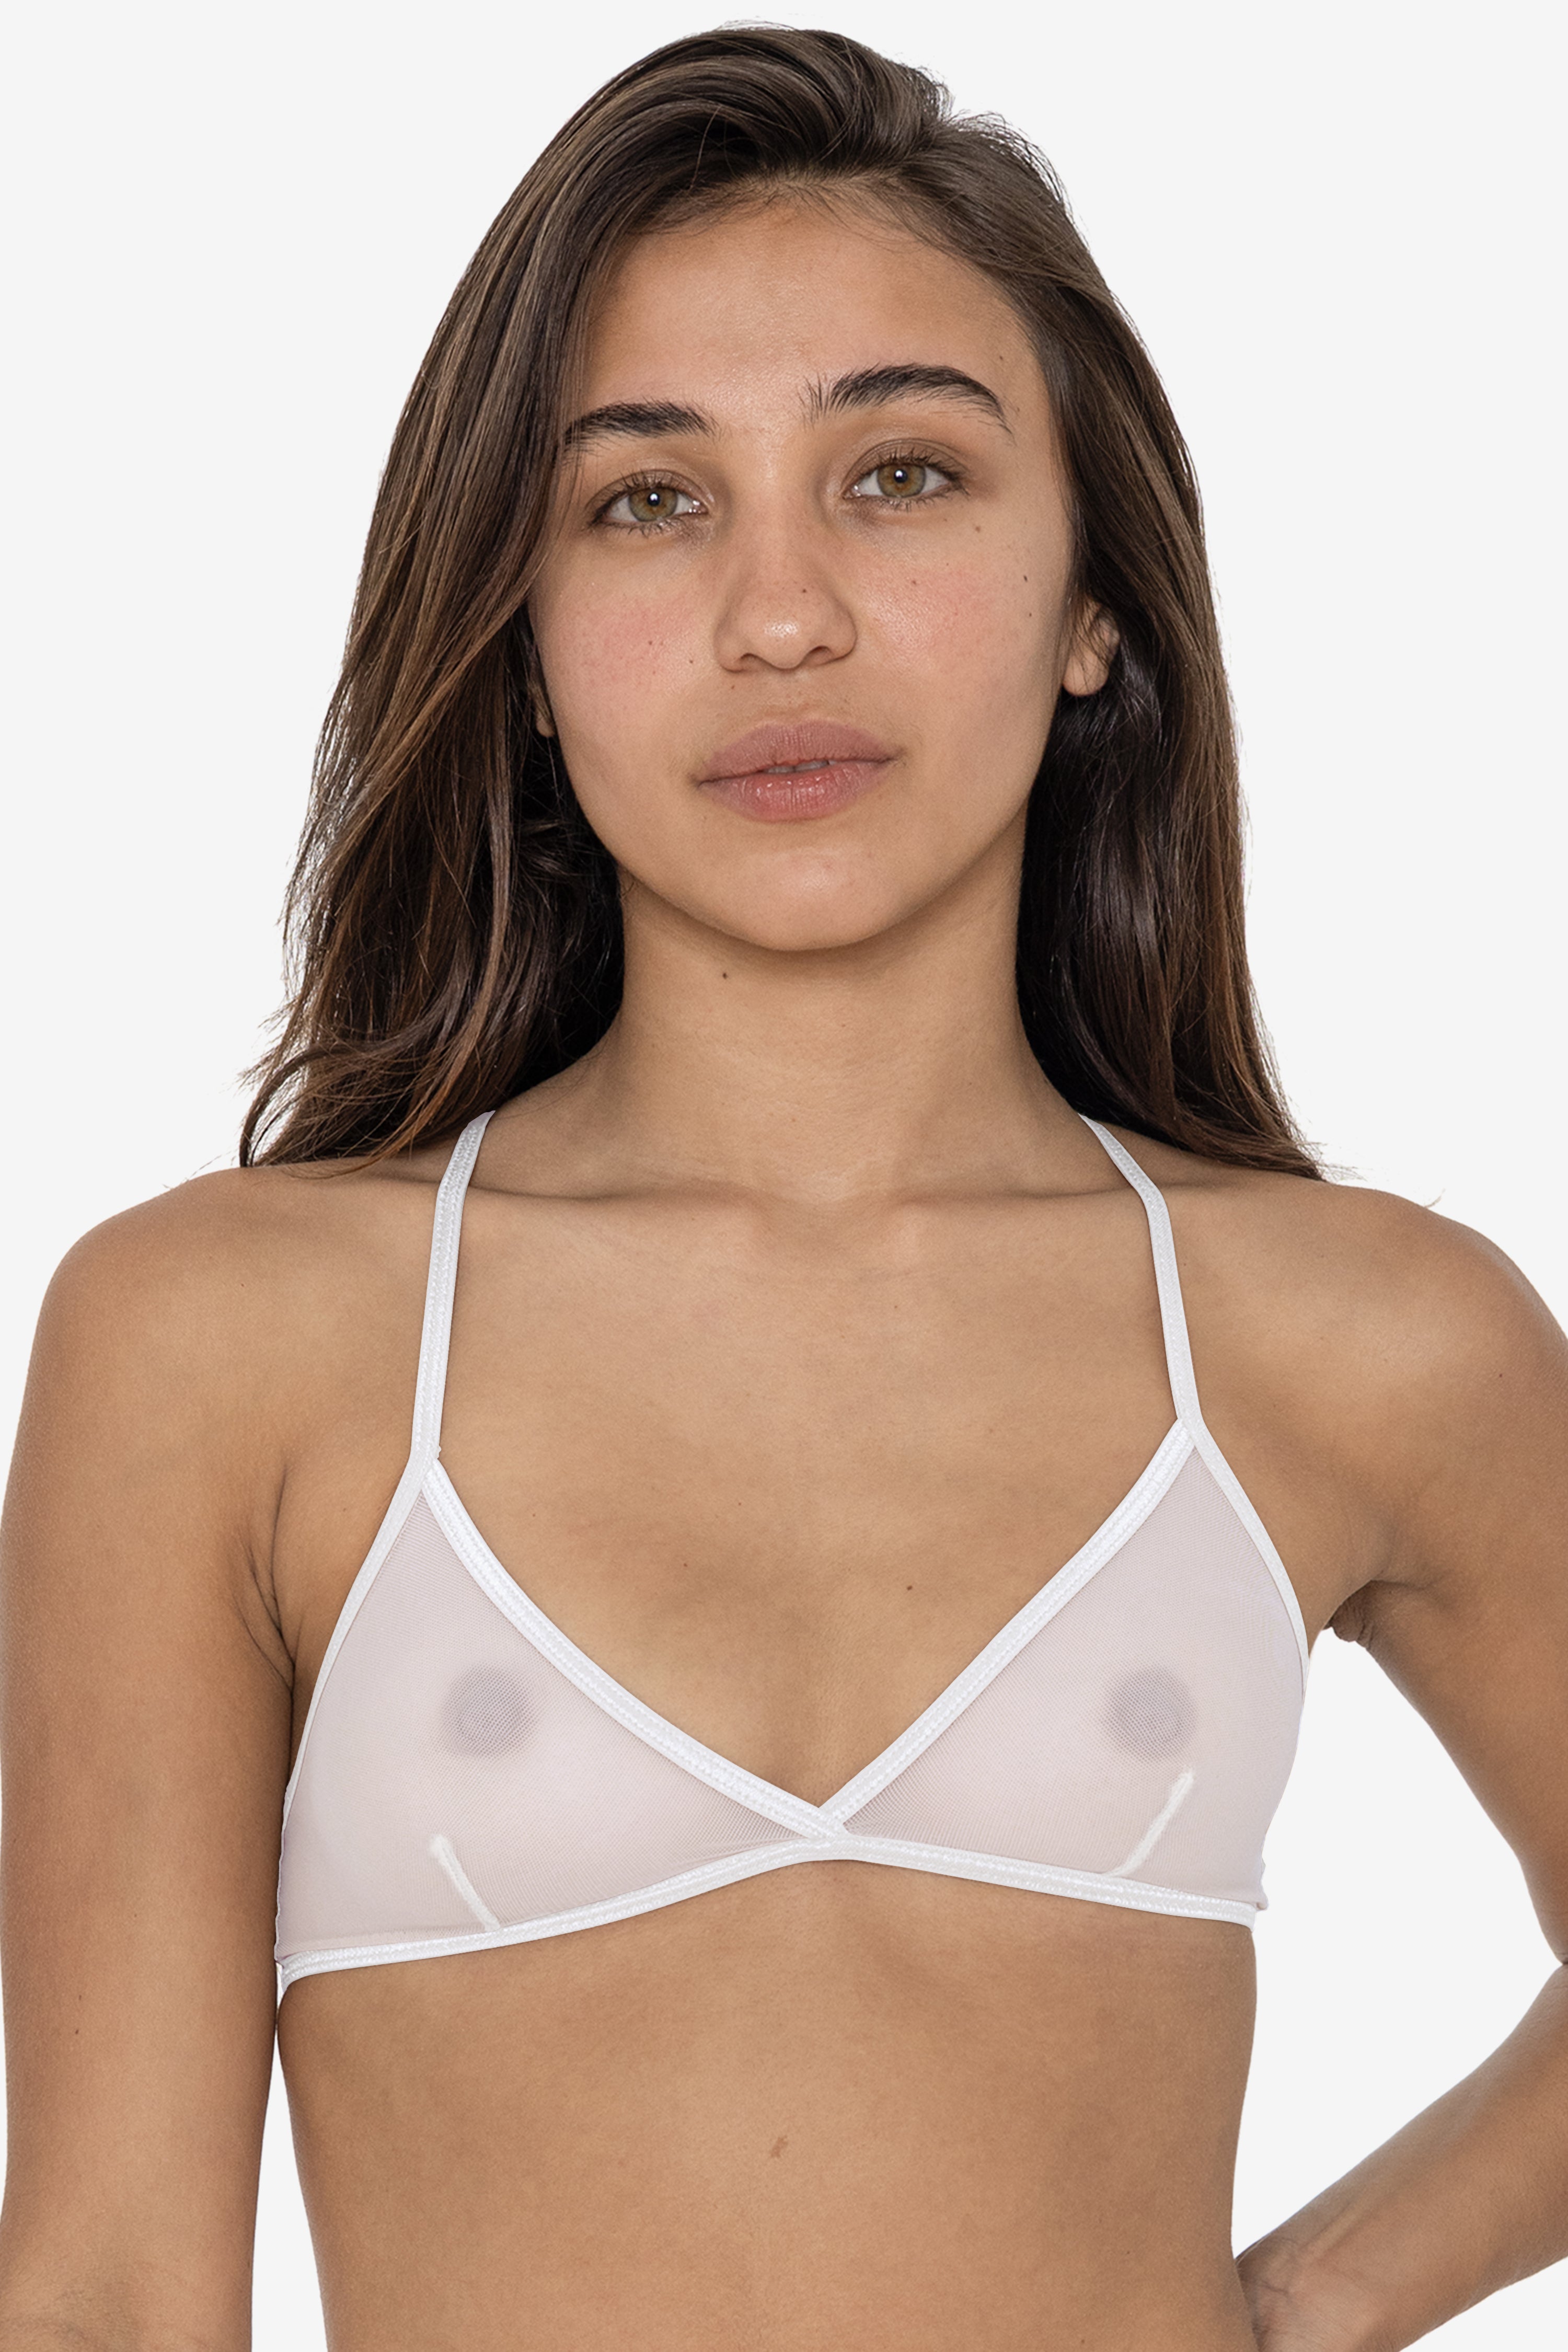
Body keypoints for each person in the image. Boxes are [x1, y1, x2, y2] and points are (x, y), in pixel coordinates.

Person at [2, 26, 1564, 2350]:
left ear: (1098, 601)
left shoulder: (1361, 1337)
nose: (782, 615)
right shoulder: (220, 1341)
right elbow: (113, 2290)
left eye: (902, 474)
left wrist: (1324, 2298)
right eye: (648, 501)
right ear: (525, 650)